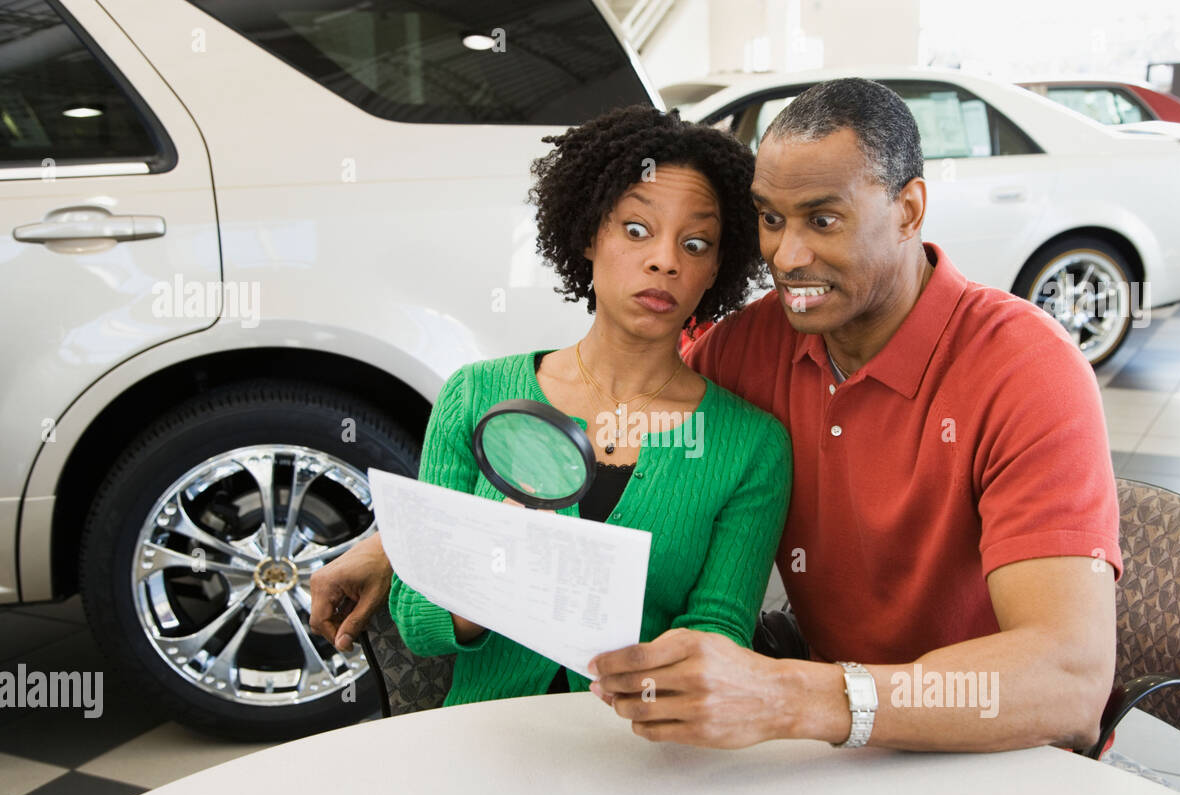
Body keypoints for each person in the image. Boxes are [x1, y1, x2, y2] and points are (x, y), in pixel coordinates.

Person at [316, 80, 1121, 753]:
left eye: (824, 219)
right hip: (823, 747)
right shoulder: (757, 343)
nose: (789, 258)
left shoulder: (1025, 368)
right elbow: (614, 439)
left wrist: (799, 697)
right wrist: (399, 540)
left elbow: (1070, 680)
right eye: (771, 219)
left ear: (909, 209)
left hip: (995, 750)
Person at [311, 105, 791, 706]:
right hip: (487, 741)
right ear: (589, 234)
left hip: (645, 746)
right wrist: (497, 572)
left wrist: (645, 679)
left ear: (715, 268)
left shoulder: (751, 445)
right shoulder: (474, 395)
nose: (665, 260)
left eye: (695, 243)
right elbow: (416, 617)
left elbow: (721, 630)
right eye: (637, 230)